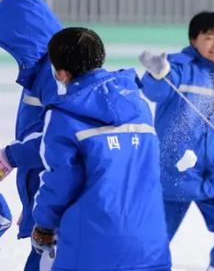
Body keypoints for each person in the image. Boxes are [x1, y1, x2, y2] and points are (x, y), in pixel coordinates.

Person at [31, 27, 171, 271]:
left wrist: (44, 224)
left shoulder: (63, 114)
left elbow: (60, 181)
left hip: (89, 250)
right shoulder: (139, 105)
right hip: (150, 245)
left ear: (61, 73)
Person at [140, 11, 214, 271]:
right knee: (155, 240)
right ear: (193, 40)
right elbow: (156, 92)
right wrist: (157, 74)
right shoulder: (178, 69)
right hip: (175, 172)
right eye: (208, 37)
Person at [0, 0, 61, 271]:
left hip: (59, 201)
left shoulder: (55, 74)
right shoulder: (38, 74)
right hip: (45, 198)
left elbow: (56, 139)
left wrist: (10, 156)